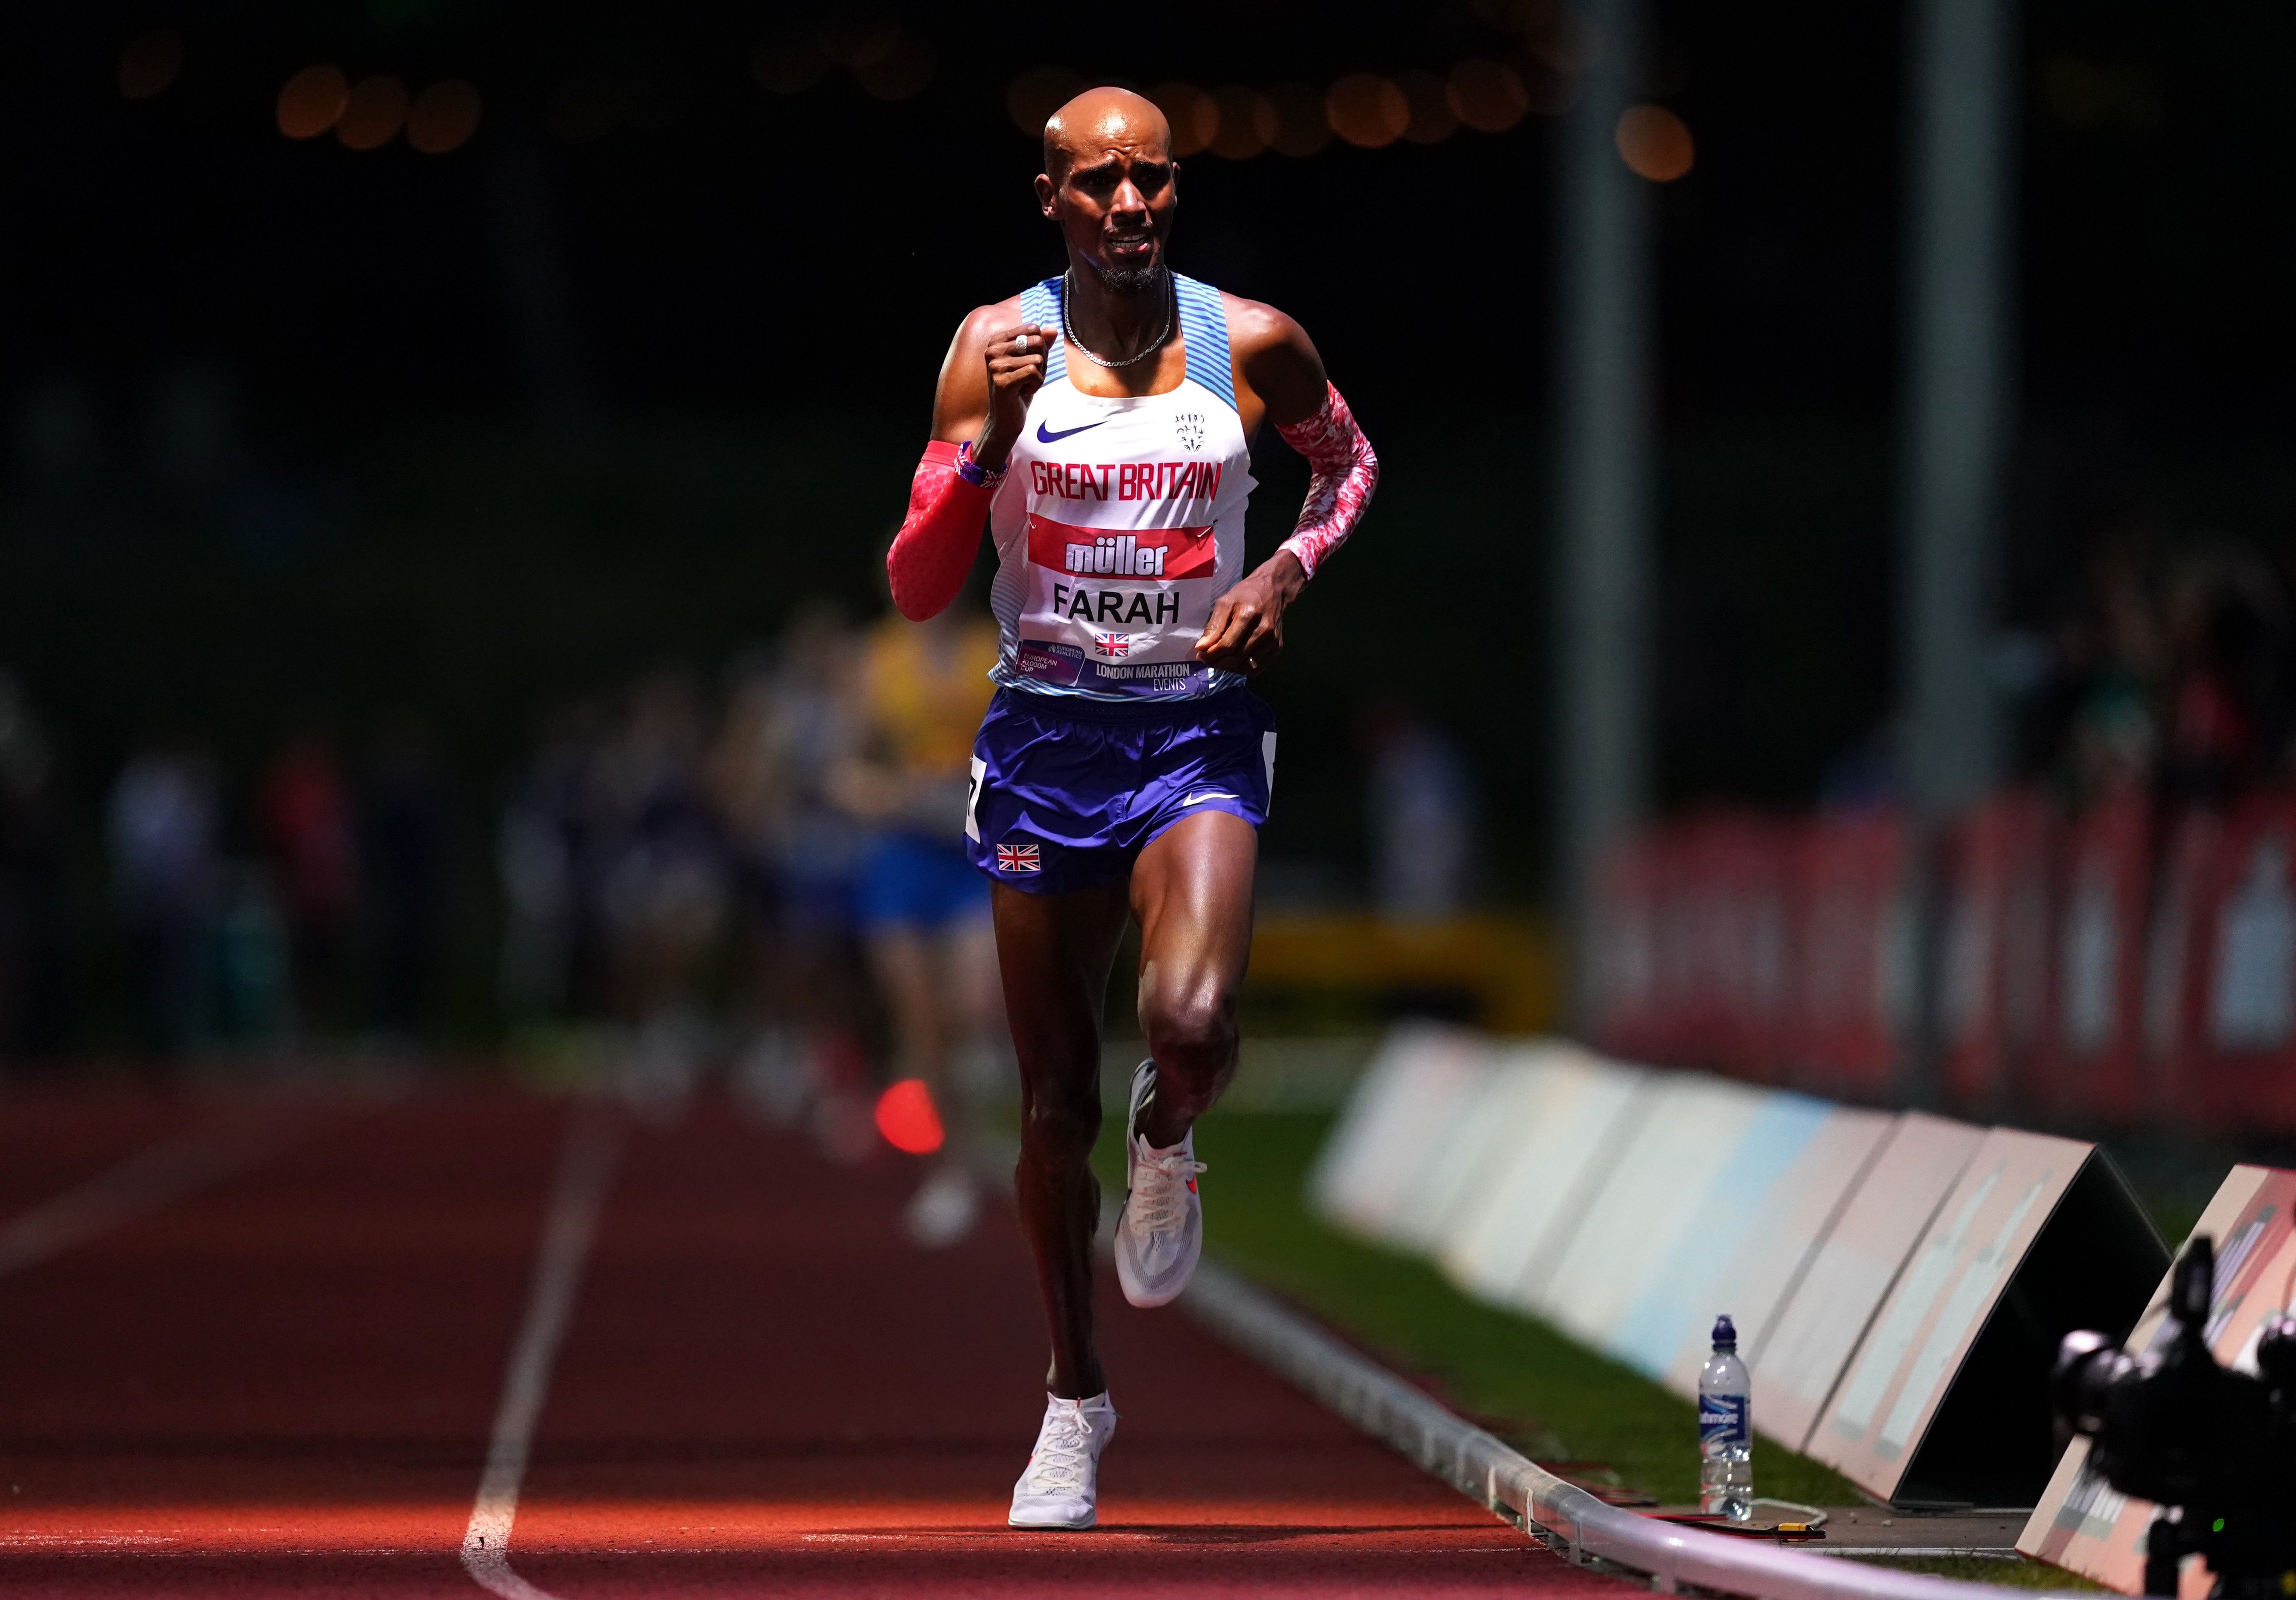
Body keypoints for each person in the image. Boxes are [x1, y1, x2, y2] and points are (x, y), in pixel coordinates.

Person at [883, 87, 1377, 1529]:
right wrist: (979, 452)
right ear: (1049, 197)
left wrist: (1282, 573)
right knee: (1048, 1114)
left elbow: (1345, 466)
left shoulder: (1252, 341)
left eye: (1151, 180)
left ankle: (1168, 1142)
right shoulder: (990, 347)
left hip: (1194, 733)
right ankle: (1073, 1402)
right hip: (1045, 741)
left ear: (1177, 189)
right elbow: (916, 585)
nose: (1129, 206)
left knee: (1195, 1022)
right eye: (1096, 183)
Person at [830, 598, 1005, 1247]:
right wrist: (893, 795)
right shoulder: (873, 660)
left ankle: (984, 1112)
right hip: (901, 856)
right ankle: (949, 1170)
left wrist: (976, 782)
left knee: (976, 1003)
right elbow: (843, 770)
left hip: (972, 846)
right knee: (922, 1023)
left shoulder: (995, 644)